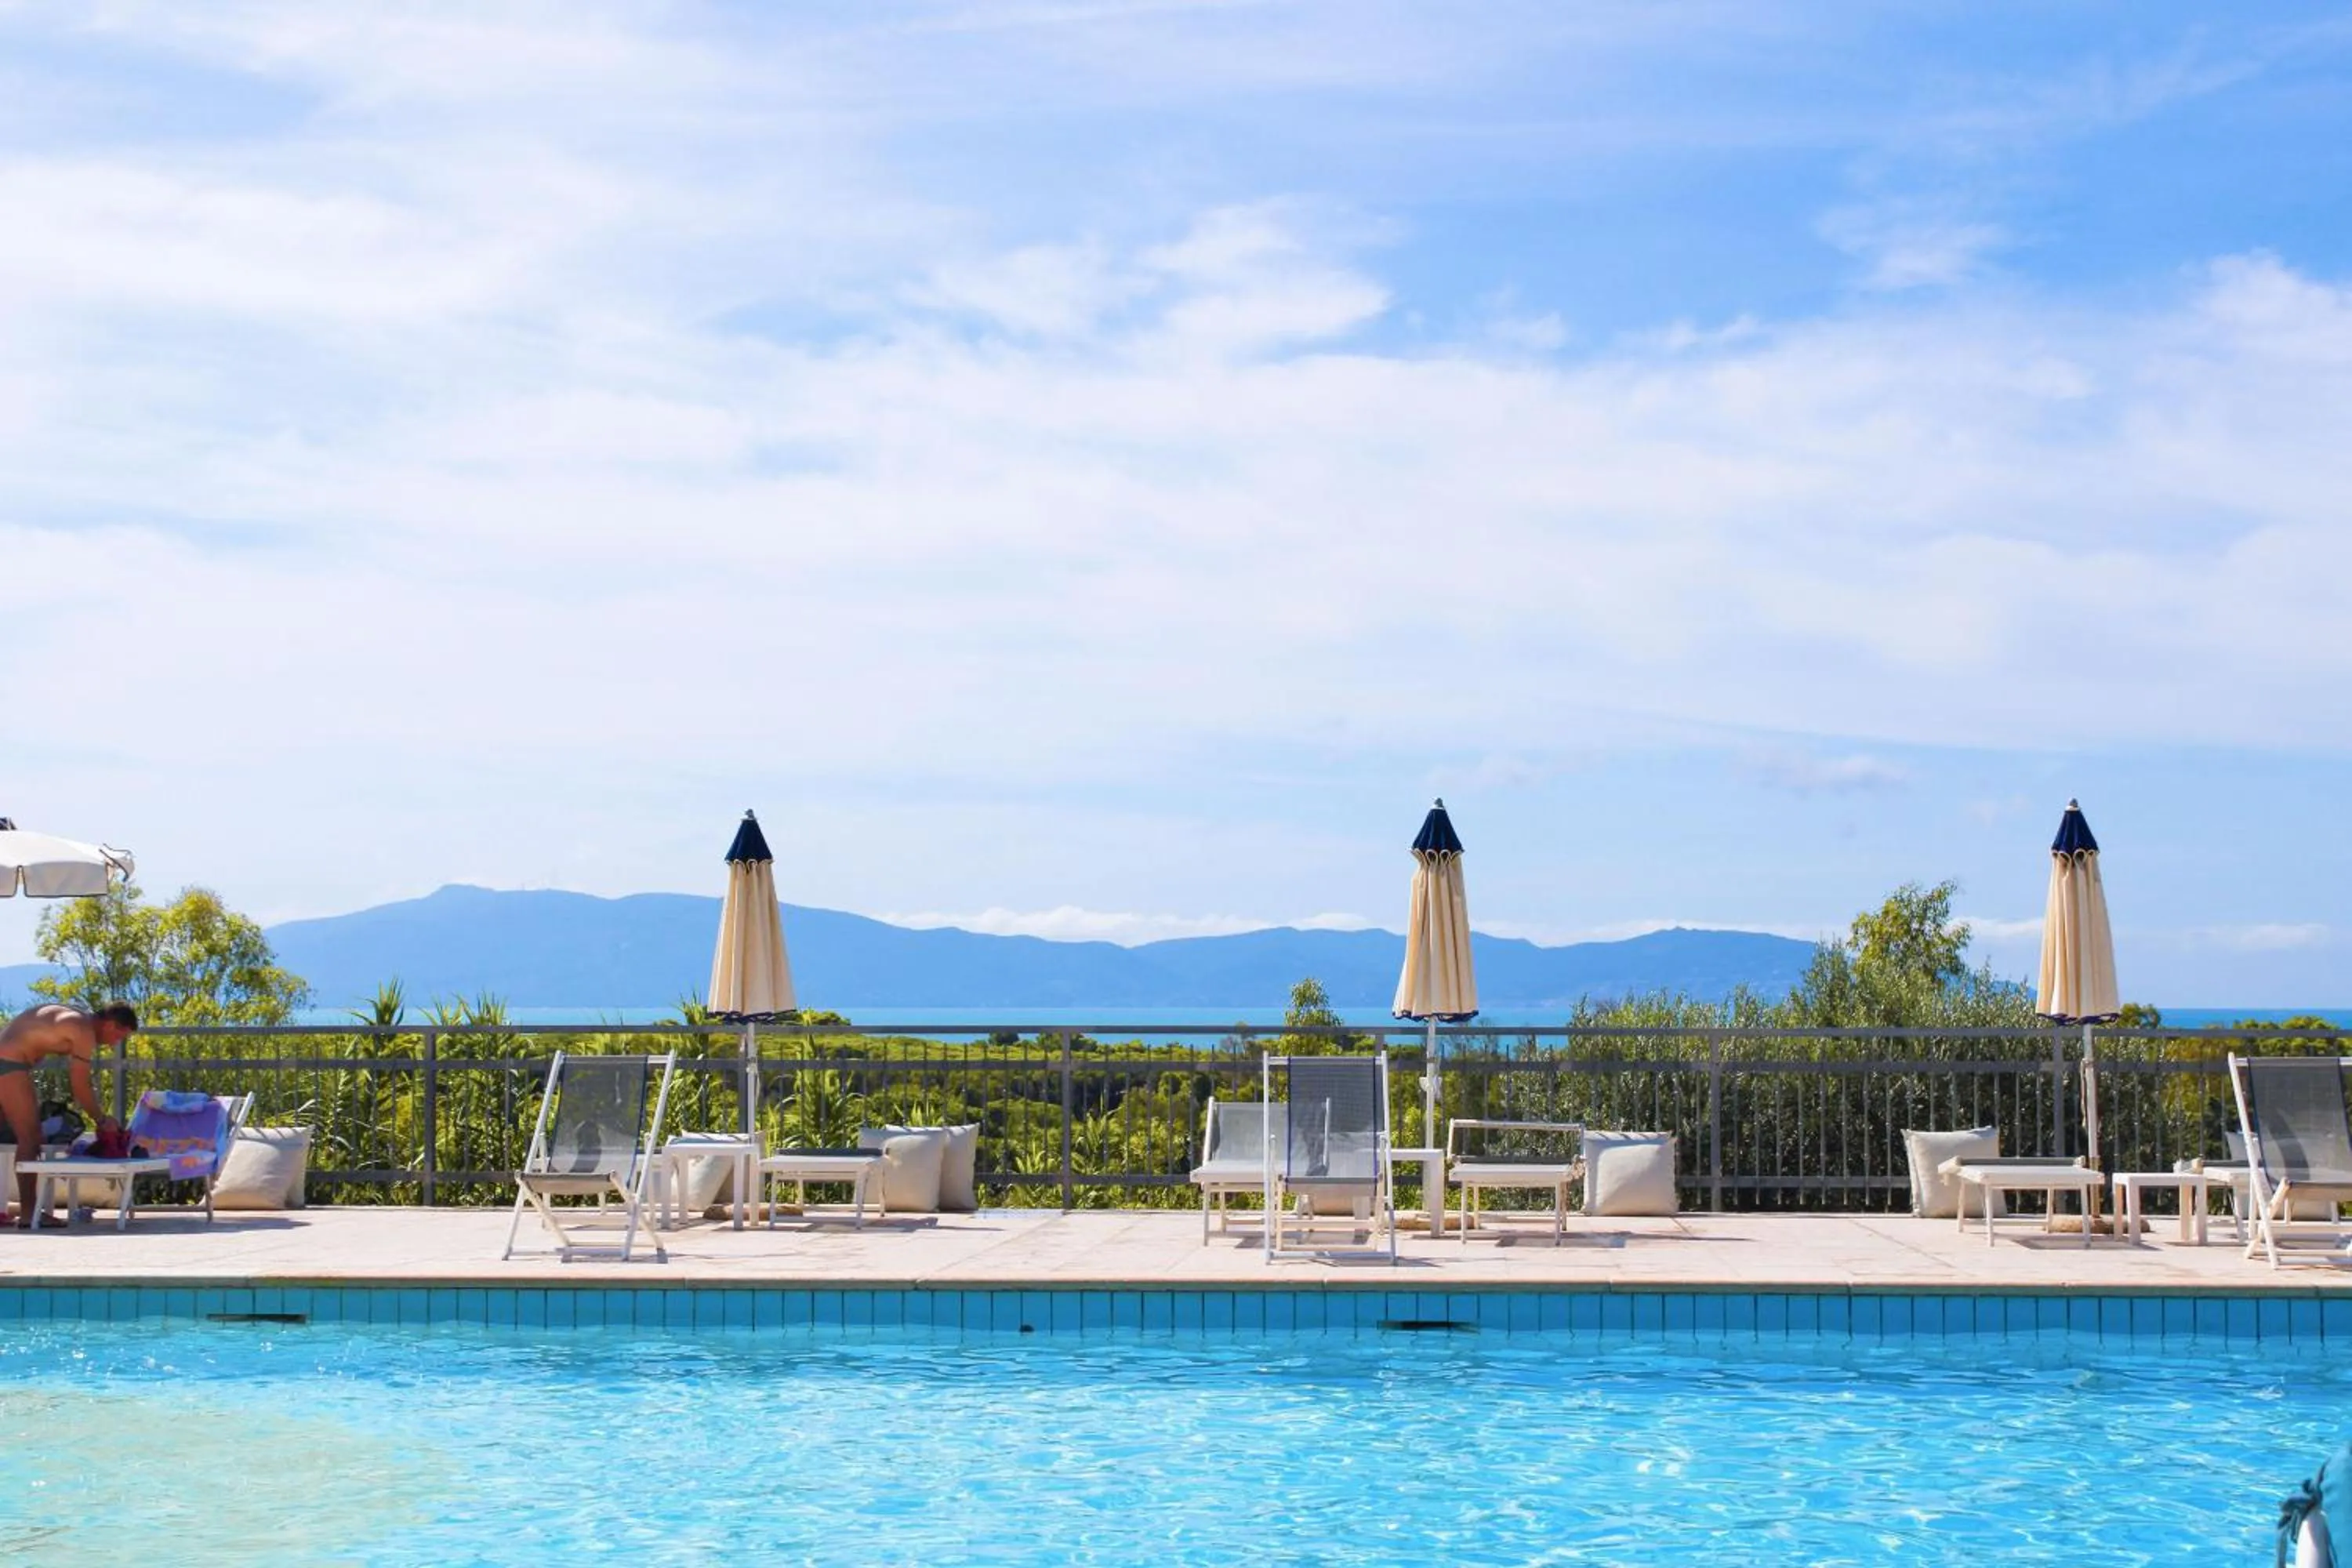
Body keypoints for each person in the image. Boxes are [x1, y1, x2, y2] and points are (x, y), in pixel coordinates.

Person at [0, 1002, 134, 1229]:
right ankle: (29, 1214)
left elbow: (28, 1029)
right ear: (110, 1025)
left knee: (19, 1137)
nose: (115, 1044)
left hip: (9, 1059)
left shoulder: (74, 1014)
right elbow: (80, 1086)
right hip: (9, 1064)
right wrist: (101, 1120)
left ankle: (24, 1212)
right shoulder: (84, 1031)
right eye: (119, 1037)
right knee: (30, 1138)